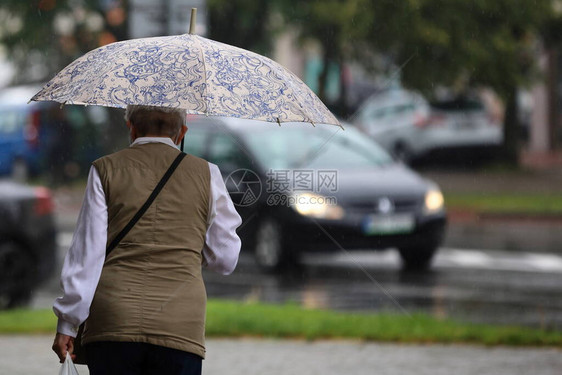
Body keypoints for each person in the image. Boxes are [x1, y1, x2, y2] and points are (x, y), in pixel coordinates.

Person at [51, 105, 242, 375]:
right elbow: (225, 260)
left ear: (131, 128)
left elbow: (86, 256)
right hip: (180, 323)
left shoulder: (104, 169)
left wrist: (68, 324)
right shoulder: (207, 174)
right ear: (182, 132)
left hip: (113, 321)